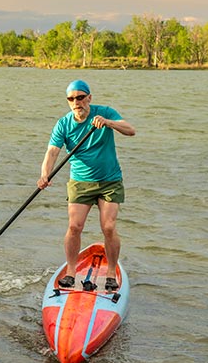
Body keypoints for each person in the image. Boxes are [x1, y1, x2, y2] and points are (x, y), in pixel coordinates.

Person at [37, 79, 135, 292]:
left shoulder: (104, 112)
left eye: (80, 97)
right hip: (80, 181)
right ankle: (71, 272)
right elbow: (52, 151)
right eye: (71, 99)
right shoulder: (64, 124)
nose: (76, 102)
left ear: (89, 98)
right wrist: (45, 174)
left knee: (108, 226)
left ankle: (110, 273)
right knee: (75, 226)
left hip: (109, 180)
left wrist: (108, 123)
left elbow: (130, 130)